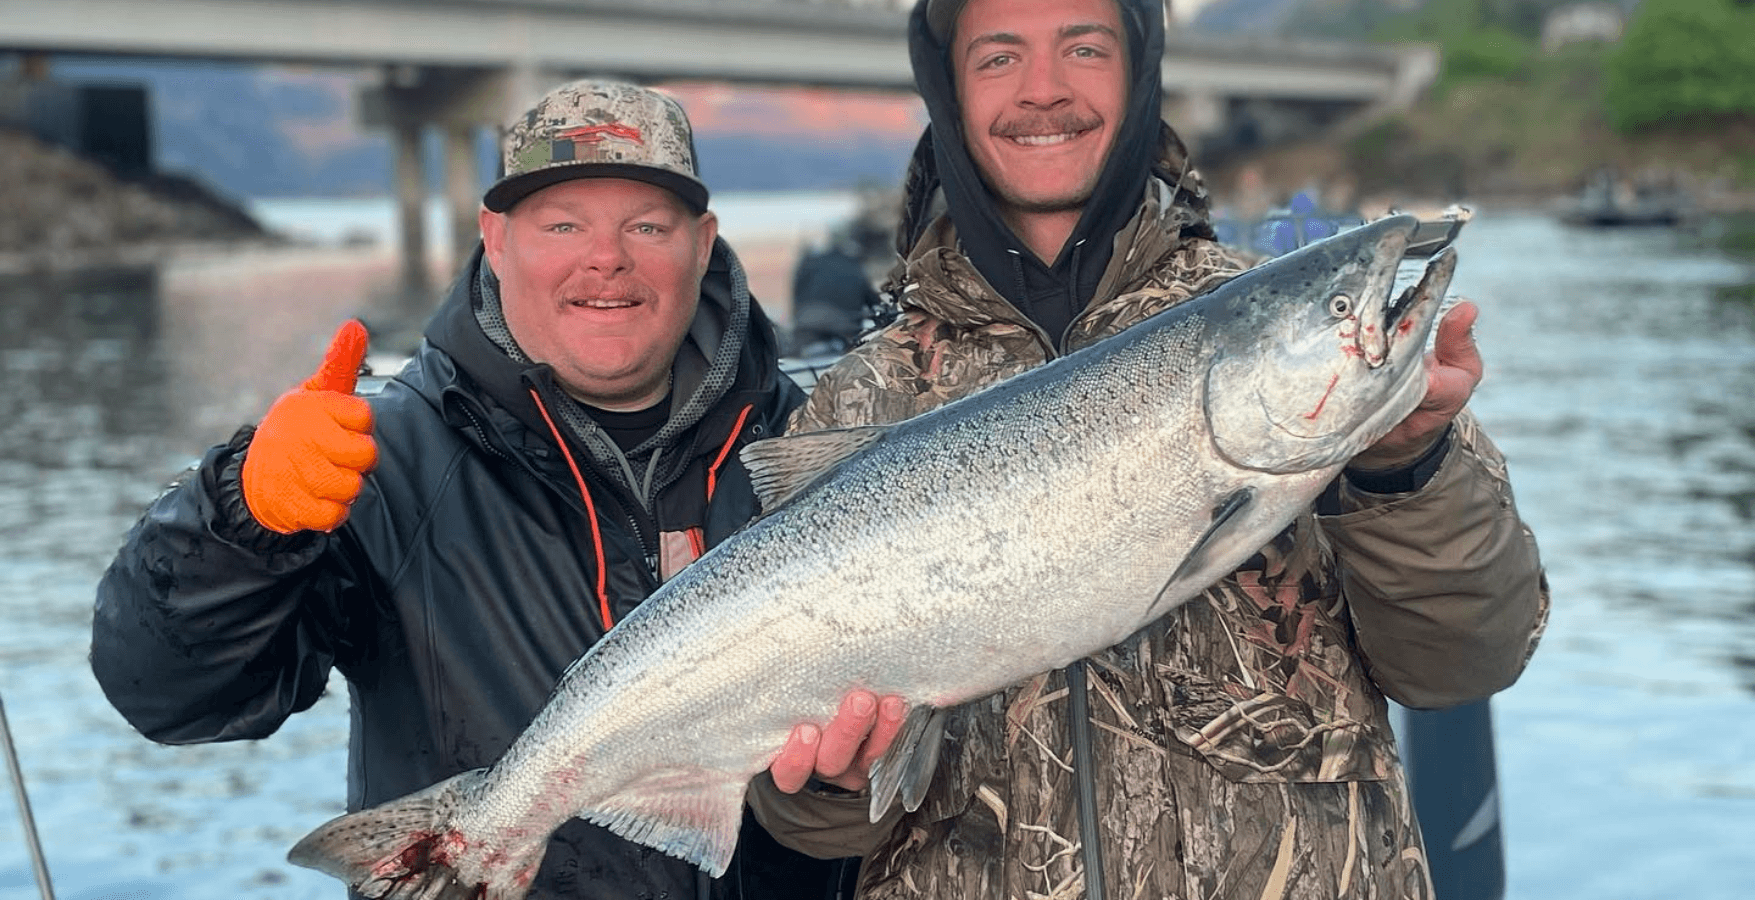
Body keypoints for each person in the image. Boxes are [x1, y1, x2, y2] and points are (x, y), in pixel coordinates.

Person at [752, 1, 1551, 898]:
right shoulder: (860, 396)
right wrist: (830, 781)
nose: (1043, 89)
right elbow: (807, 829)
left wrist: (1403, 468)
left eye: (1084, 48)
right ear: (948, 91)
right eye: (998, 56)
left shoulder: (1288, 325)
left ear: (1140, 76)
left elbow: (1466, 665)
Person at [89, 79, 895, 900]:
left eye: (645, 226)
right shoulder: (377, 459)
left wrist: (844, 785)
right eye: (562, 225)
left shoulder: (826, 444)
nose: (605, 257)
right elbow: (169, 696)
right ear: (496, 240)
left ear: (703, 241)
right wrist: (241, 522)